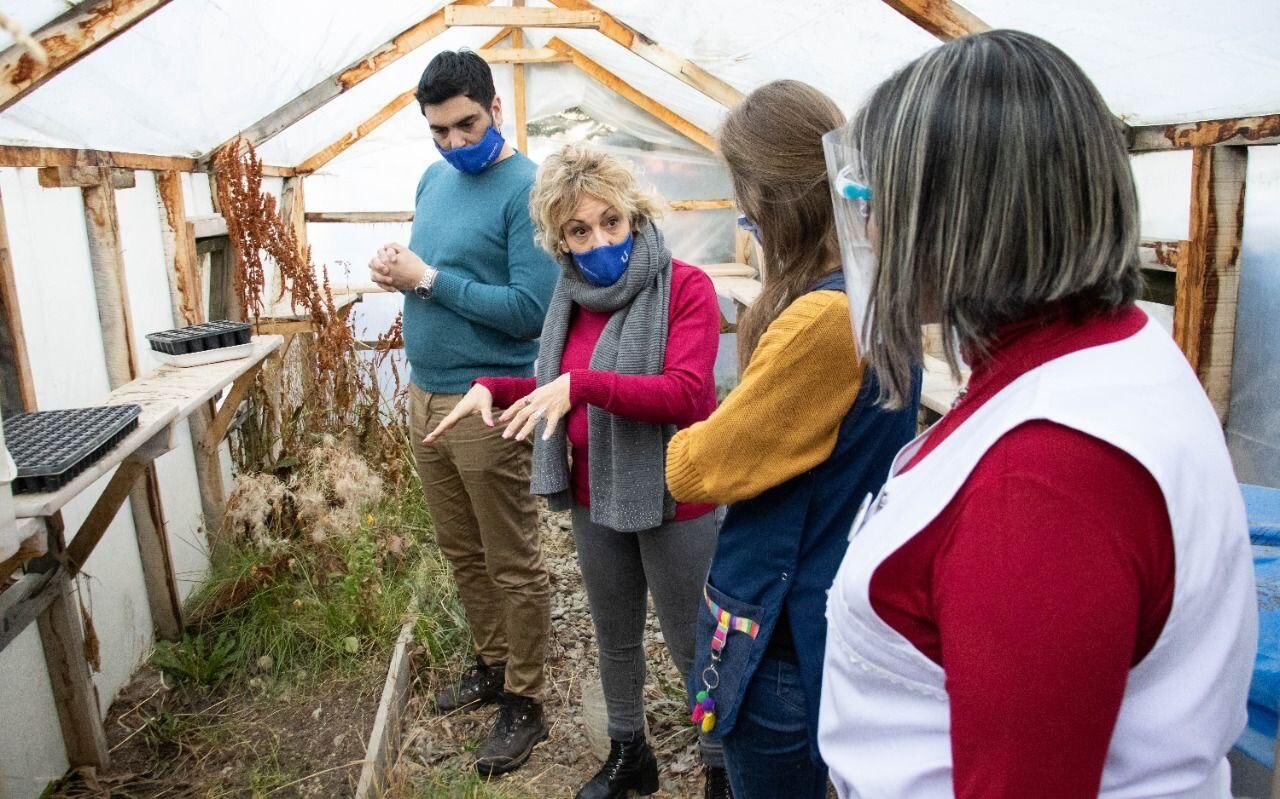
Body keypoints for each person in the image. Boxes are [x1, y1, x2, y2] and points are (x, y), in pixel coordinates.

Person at [817, 30, 1257, 798]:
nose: (870, 229)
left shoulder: (1043, 481)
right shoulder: (1103, 354)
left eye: (876, 200)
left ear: (957, 216)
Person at [426, 142, 730, 799]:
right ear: (559, 240)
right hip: (596, 494)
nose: (600, 240)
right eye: (579, 230)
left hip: (678, 494)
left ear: (635, 213)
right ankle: (630, 754)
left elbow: (685, 393)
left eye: (611, 221)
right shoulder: (570, 297)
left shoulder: (686, 288)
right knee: (613, 634)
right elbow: (550, 383)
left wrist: (583, 384)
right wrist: (494, 386)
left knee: (694, 645)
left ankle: (722, 766)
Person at [663, 80, 921, 799]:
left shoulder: (823, 324)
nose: (741, 216)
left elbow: (695, 467)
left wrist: (709, 422)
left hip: (783, 647)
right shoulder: (872, 292)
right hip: (826, 614)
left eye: (743, 197)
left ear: (771, 199)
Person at [368, 50, 558, 777]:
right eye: (438, 130)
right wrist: (403, 274)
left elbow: (529, 313)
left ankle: (528, 699)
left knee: (510, 556)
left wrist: (430, 280)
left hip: (489, 397)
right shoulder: (434, 178)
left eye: (465, 125)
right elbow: (438, 276)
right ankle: (494, 662)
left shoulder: (527, 189)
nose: (452, 142)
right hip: (426, 393)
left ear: (495, 109)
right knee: (460, 547)